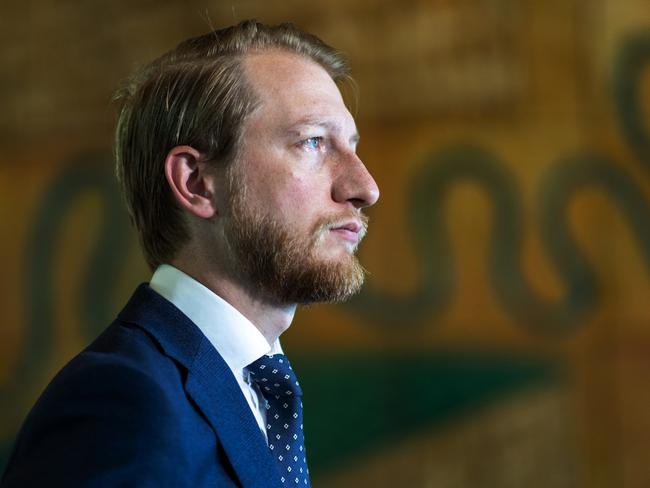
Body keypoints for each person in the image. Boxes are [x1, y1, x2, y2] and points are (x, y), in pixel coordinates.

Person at [1, 19, 379, 488]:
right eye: (312, 142)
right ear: (196, 182)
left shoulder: (253, 388)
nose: (365, 187)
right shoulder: (122, 404)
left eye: (352, 146)